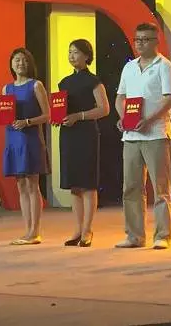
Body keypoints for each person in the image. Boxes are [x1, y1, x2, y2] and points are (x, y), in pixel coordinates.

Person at [115, 22, 171, 250]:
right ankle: (134, 235)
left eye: (145, 39)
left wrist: (149, 120)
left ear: (156, 41)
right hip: (131, 136)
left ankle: (162, 235)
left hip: (157, 134)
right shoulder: (129, 67)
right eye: (137, 40)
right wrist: (124, 118)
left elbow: (170, 98)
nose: (140, 44)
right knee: (131, 187)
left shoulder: (165, 66)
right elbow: (120, 97)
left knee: (161, 188)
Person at [0, 48, 50, 245]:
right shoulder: (6, 89)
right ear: (11, 64)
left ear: (29, 63)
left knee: (32, 185)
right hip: (13, 139)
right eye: (16, 60)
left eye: (24, 60)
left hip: (30, 138)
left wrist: (27, 122)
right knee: (21, 186)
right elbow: (6, 115)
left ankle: (35, 232)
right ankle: (27, 231)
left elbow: (47, 115)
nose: (20, 63)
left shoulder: (36, 85)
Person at [58, 39, 110, 248]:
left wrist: (78, 116)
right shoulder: (63, 83)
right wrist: (58, 117)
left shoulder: (93, 81)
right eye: (70, 52)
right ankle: (78, 230)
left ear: (87, 56)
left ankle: (88, 230)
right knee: (74, 185)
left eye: (76, 52)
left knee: (87, 184)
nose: (72, 56)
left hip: (86, 134)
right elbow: (59, 108)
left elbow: (104, 109)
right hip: (68, 135)